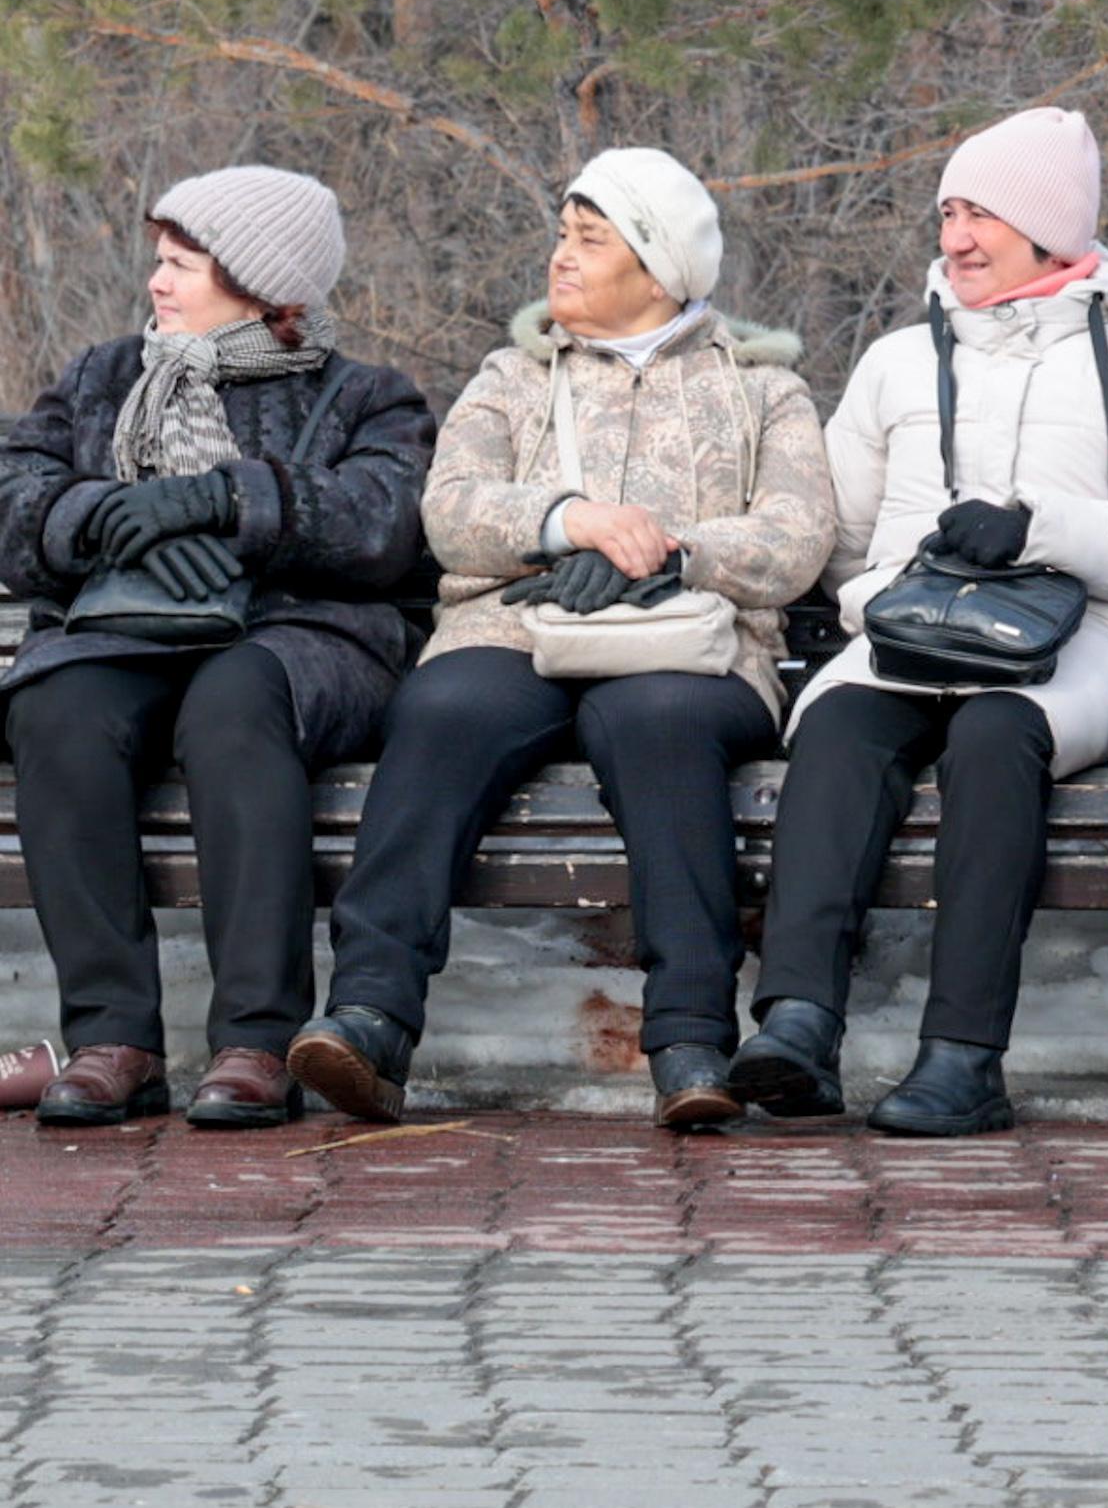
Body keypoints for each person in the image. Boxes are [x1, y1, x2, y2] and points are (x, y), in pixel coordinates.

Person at [287, 148, 836, 1130]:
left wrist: (667, 554)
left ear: (658, 267)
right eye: (562, 234)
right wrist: (570, 520)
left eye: (591, 240)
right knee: (445, 710)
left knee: (658, 725)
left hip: (689, 645)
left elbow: (796, 539)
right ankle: (369, 1015)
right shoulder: (513, 376)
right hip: (519, 623)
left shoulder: (762, 391)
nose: (562, 257)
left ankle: (690, 1041)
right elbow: (450, 512)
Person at [723, 109, 1108, 1135]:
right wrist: (883, 599)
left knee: (998, 740)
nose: (954, 237)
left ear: (1051, 230)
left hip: (1079, 642)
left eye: (982, 215)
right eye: (948, 212)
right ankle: (797, 1025)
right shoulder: (897, 362)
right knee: (837, 731)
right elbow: (846, 540)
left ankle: (963, 1057)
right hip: (911, 632)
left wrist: (1042, 530)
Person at [0, 168, 432, 1127]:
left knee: (233, 703)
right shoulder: (101, 379)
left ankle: (256, 1038)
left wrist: (232, 501)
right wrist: (102, 511)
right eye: (161, 261)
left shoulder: (366, 396)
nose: (157, 282)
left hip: (299, 635)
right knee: (56, 708)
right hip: (121, 626)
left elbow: (386, 522)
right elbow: (16, 494)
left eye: (181, 265)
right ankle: (114, 1036)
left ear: (257, 279)